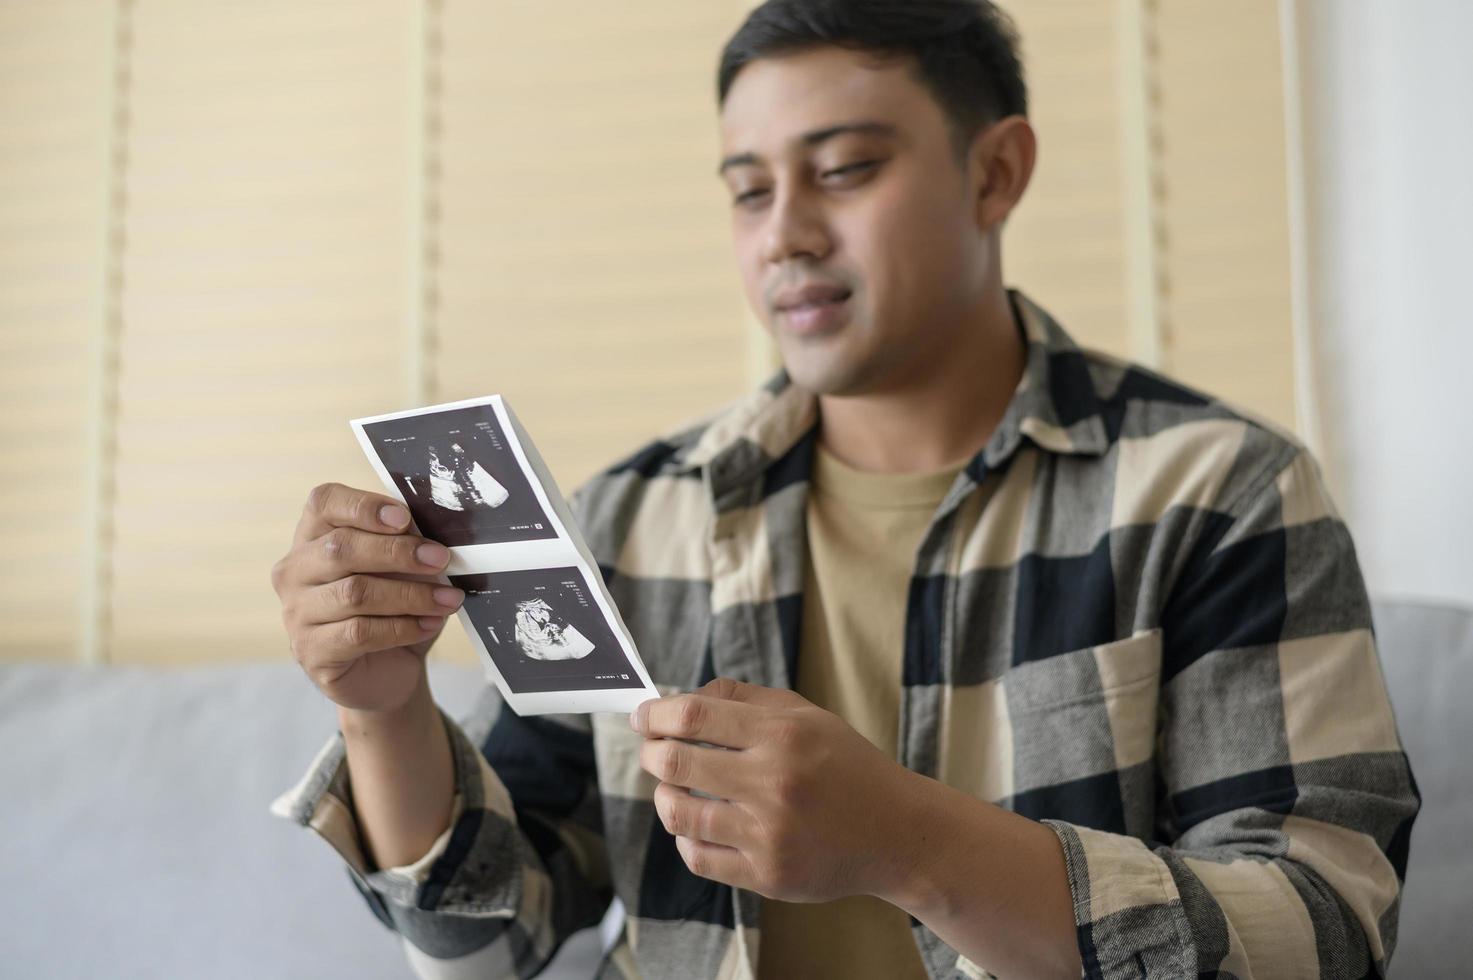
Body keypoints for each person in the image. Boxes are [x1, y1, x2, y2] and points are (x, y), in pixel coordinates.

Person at [269, 2, 1418, 977]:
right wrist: (381, 712)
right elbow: (492, 931)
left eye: (846, 169)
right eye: (748, 190)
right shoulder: (633, 515)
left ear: (997, 170)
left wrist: (914, 842)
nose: (786, 236)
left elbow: (1326, 927)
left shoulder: (1220, 495)